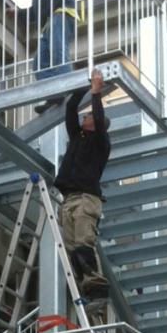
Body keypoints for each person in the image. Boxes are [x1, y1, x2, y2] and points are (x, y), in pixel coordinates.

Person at [54, 69, 111, 302]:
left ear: (95, 124)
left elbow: (98, 116)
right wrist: (81, 86)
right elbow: (70, 109)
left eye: (87, 116)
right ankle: (86, 289)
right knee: (71, 249)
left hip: (86, 199)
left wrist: (96, 92)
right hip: (69, 199)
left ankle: (97, 290)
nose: (84, 117)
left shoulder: (101, 142)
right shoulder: (78, 137)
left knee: (83, 244)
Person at [0, 0, 77, 111]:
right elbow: (36, 11)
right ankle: (54, 96)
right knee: (39, 64)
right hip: (48, 22)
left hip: (61, 12)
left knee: (58, 52)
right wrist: (19, 13)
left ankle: (69, 87)